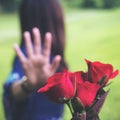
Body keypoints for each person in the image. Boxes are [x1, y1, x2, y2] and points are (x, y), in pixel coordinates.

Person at [3, 0, 68, 120]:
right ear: (53, 17)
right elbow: (12, 89)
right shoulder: (31, 54)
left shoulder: (49, 54)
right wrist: (27, 85)